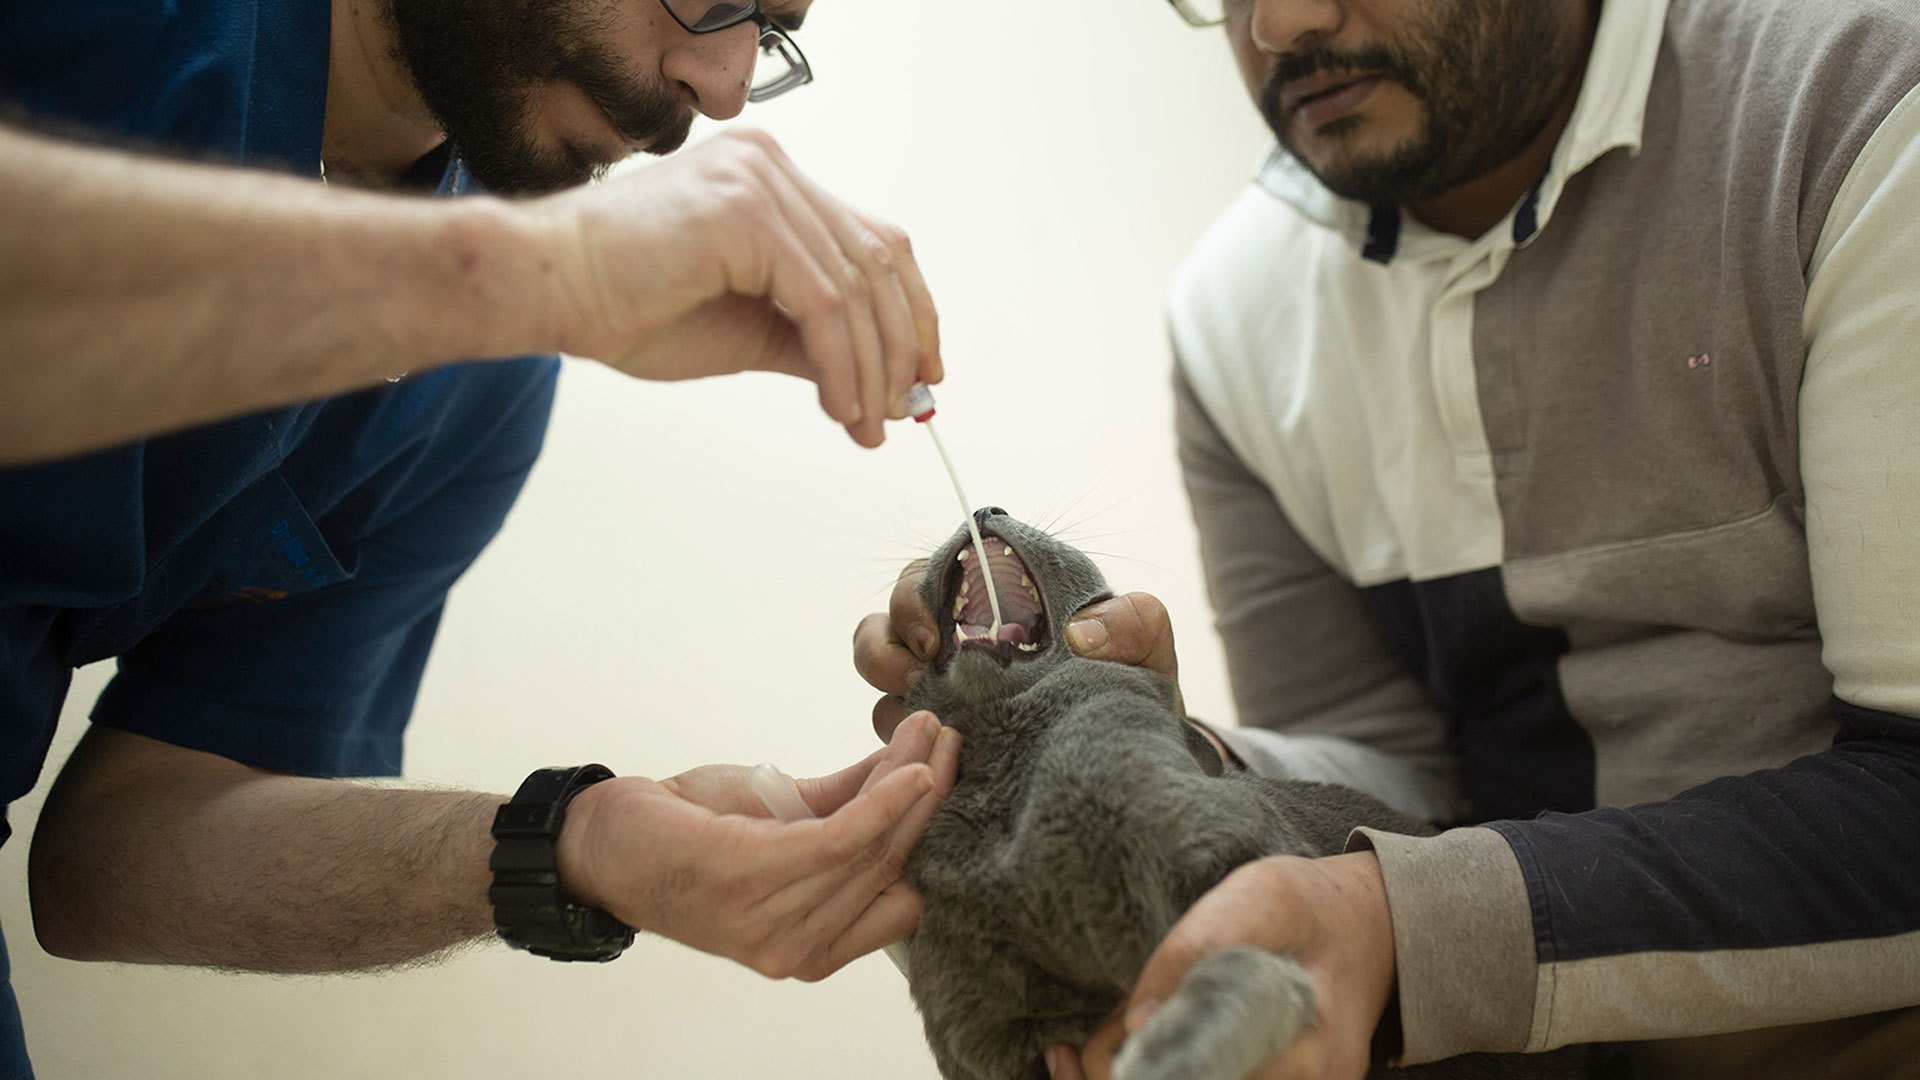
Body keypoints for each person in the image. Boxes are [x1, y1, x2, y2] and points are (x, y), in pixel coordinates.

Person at [856, 0, 1920, 1076]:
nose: (1281, 24)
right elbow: (1401, 780)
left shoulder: (1859, 114)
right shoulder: (1237, 312)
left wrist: (1399, 928)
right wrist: (1168, 755)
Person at [0, 0, 961, 1076]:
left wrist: (569, 844)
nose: (729, 87)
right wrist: (512, 278)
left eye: (773, 33)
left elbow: (103, 860)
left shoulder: (491, 379)